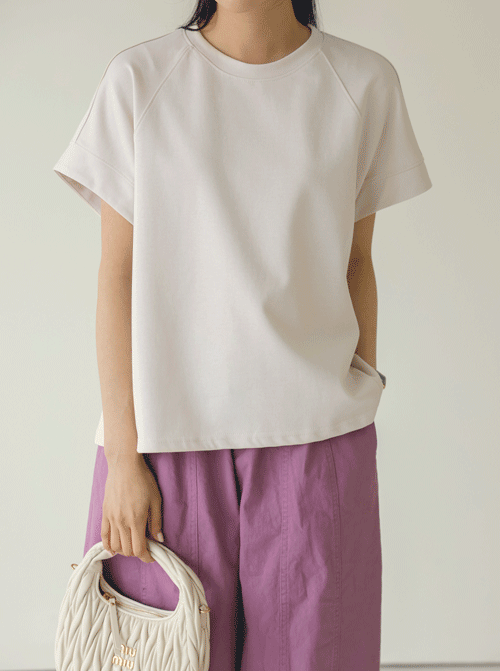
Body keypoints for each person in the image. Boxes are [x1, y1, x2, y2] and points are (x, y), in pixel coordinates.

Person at [53, 0, 432, 669]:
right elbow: (118, 274)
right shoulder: (140, 80)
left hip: (316, 443)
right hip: (166, 448)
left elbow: (355, 260)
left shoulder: (362, 82)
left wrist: (357, 389)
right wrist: (122, 457)